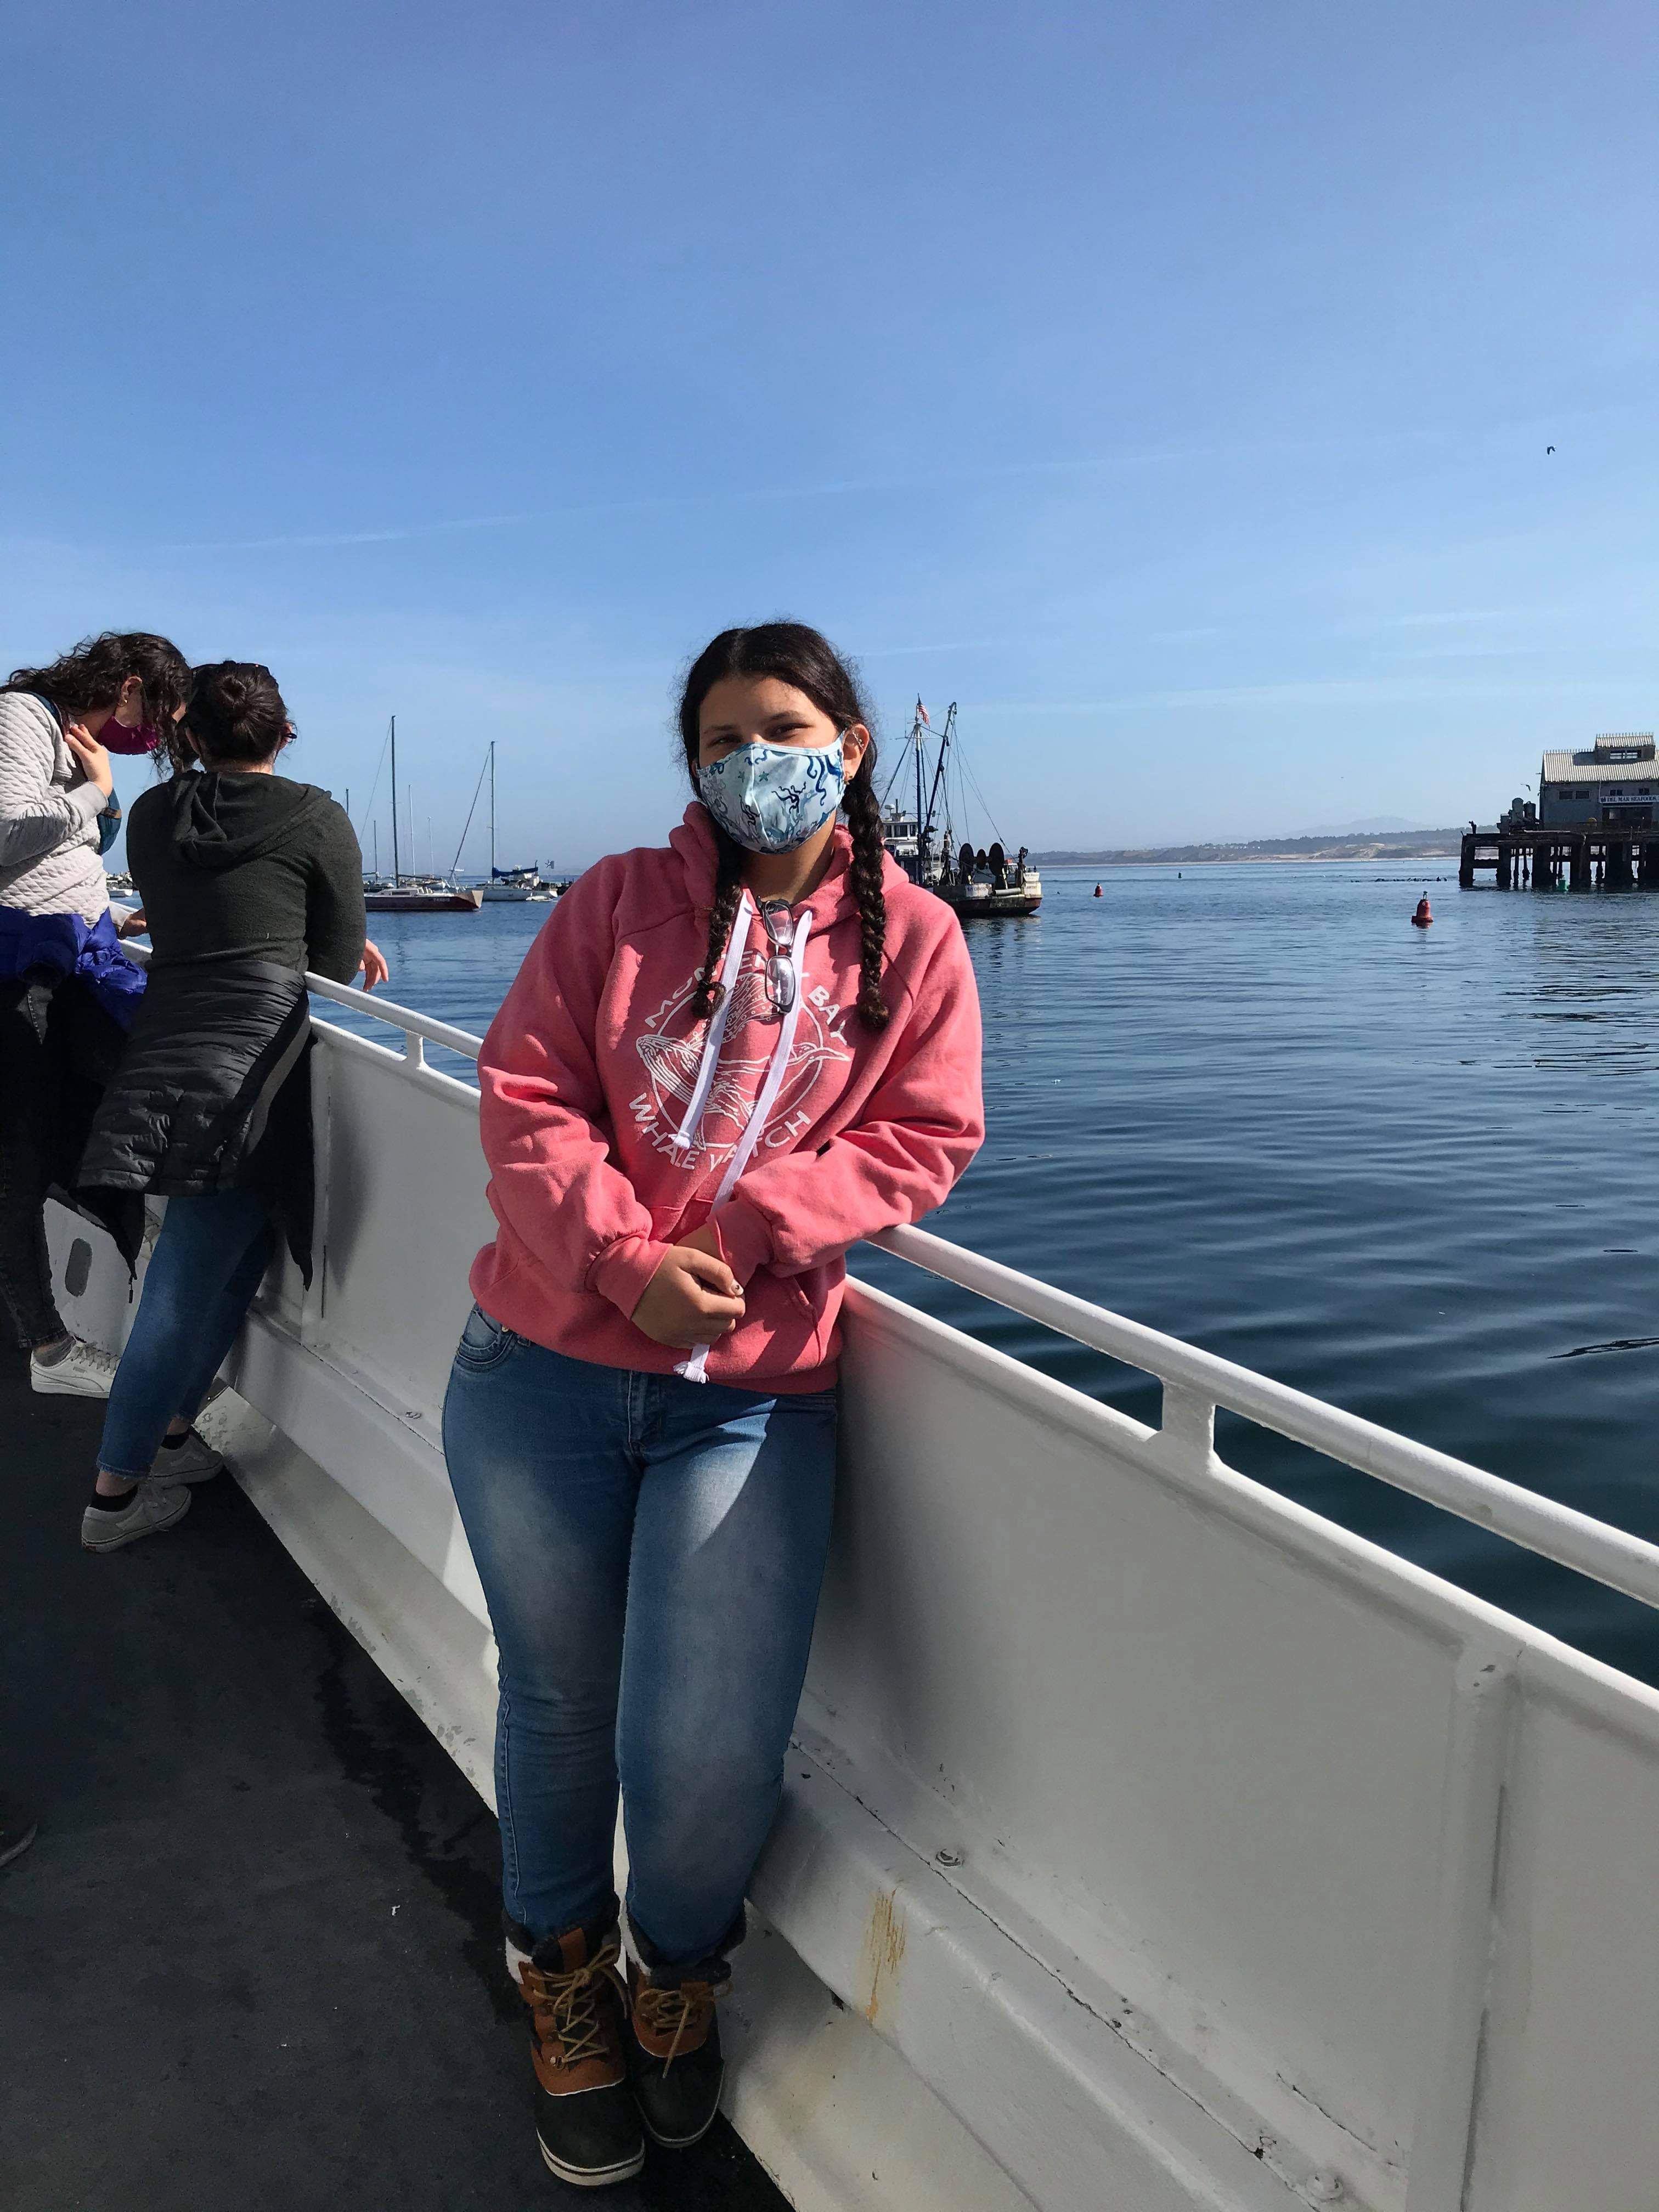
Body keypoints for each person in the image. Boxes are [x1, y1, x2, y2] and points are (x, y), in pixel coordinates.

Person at [443, 623, 984, 2187]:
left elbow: (925, 1139)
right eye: (726, 737)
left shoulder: (920, 944)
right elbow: (526, 1091)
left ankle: (673, 1979)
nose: (758, 759)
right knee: (556, 1705)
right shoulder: (615, 903)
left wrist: (734, 1242)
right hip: (537, 1375)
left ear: (850, 746)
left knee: (707, 1749)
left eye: (788, 727)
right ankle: (561, 1975)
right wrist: (621, 1261)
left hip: (750, 1400)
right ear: (692, 763)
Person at [74, 663, 388, 1553]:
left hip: (166, 1047)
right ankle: (113, 1495)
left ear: (193, 739)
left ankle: (174, 1437)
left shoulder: (151, 814)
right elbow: (326, 962)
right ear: (283, 735)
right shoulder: (317, 815)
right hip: (252, 1067)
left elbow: (191, 920)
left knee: (244, 1248)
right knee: (182, 1279)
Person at [0, 633, 193, 1396]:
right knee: (18, 1157)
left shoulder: (67, 735)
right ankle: (48, 1348)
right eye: (158, 720)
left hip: (79, 957)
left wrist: (110, 905)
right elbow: (9, 832)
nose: (153, 741)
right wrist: (94, 789)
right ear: (129, 687)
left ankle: (143, 1261)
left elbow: (79, 845)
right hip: (22, 973)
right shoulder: (21, 715)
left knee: (106, 1115)